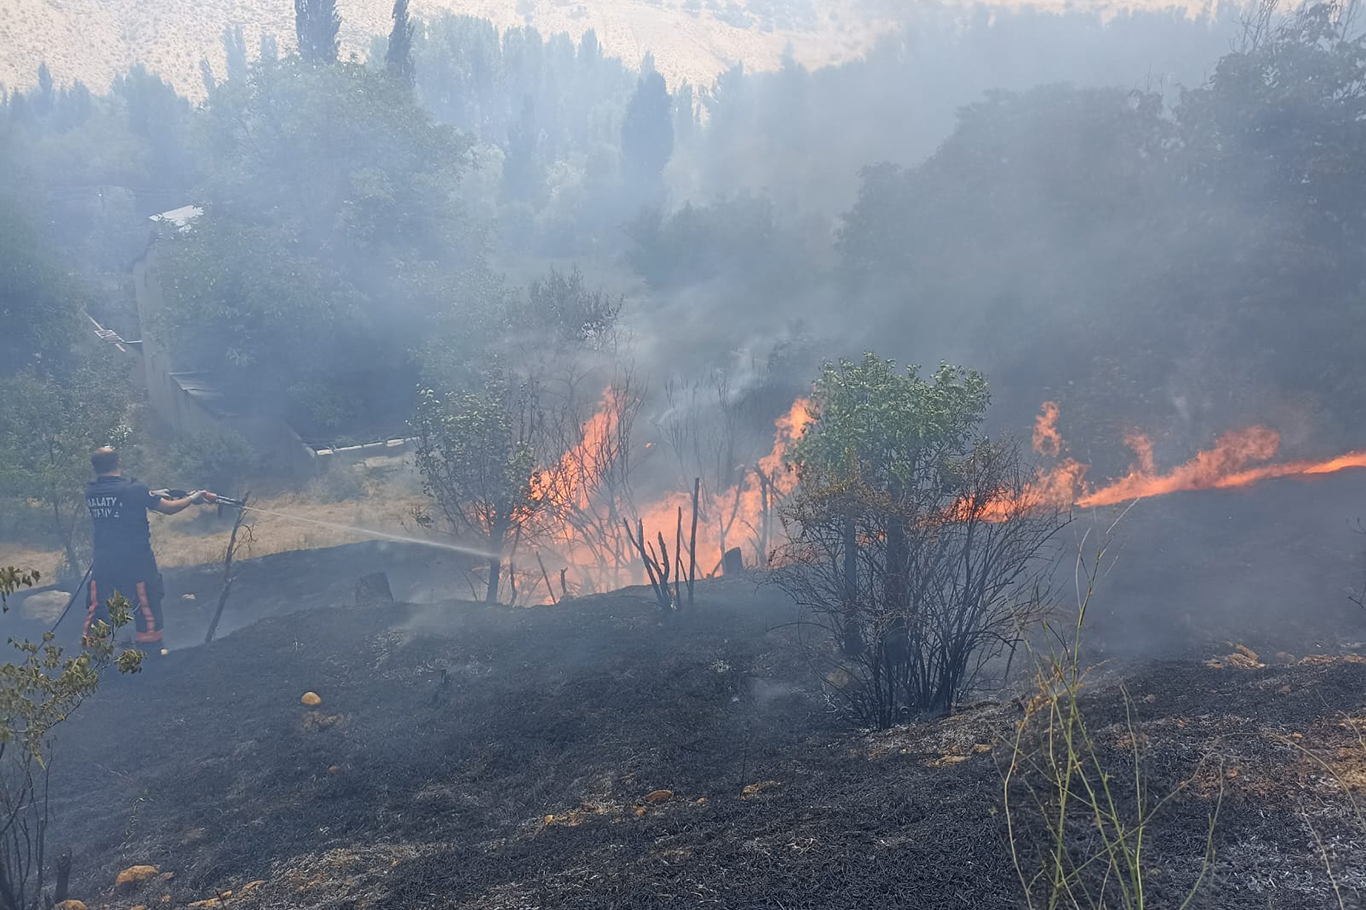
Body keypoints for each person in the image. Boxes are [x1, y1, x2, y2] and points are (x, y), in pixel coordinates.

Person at [84, 446, 209, 653]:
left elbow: (121, 498)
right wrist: (192, 499)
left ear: (96, 467)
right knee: (145, 602)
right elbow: (169, 509)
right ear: (119, 462)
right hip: (136, 561)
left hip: (104, 561)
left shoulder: (92, 492)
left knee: (100, 605)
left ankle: (96, 654)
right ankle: (150, 651)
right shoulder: (135, 490)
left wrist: (151, 494)